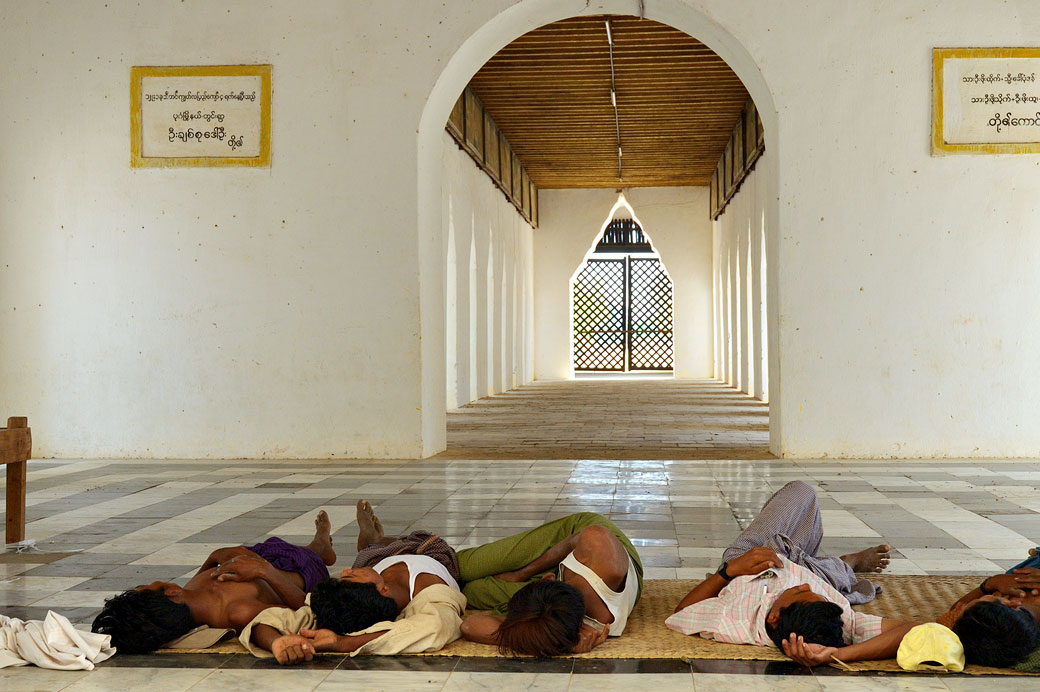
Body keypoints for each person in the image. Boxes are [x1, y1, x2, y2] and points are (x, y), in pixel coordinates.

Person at [666, 480, 918, 667]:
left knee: (802, 491)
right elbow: (916, 629)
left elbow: (682, 612)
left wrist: (729, 571)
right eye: (815, 593)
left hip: (761, 559)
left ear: (774, 617)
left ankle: (839, 564)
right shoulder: (839, 621)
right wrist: (838, 654)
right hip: (818, 574)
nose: (805, 586)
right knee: (828, 576)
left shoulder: (735, 620)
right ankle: (847, 564)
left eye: (799, 591)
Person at [240, 500, 467, 664]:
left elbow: (268, 619)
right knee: (390, 546)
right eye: (352, 576)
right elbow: (436, 627)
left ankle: (371, 541)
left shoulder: (343, 602)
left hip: (377, 559)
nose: (346, 570)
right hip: (428, 553)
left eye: (347, 576)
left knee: (368, 554)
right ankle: (374, 540)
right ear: (383, 589)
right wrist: (339, 643)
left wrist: (277, 643)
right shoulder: (430, 594)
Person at [90, 511, 336, 654]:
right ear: (171, 592)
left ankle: (317, 546)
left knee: (260, 549)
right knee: (307, 554)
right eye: (147, 585)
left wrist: (214, 557)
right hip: (300, 573)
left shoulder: (190, 594)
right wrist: (264, 571)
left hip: (261, 558)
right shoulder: (237, 613)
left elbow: (207, 572)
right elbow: (306, 606)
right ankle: (320, 546)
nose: (151, 581)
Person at [456, 512, 643, 656]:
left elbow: (470, 626)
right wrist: (522, 573)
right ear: (549, 579)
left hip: (562, 599)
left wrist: (555, 644)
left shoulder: (553, 625)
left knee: (472, 592)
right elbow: (574, 541)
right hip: (578, 539)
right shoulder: (603, 555)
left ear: (547, 578)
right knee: (464, 567)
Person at [937, 549, 1040, 668]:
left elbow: (955, 609)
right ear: (1010, 603)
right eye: (988, 596)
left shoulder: (1016, 623)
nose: (961, 606)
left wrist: (990, 584)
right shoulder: (1019, 584)